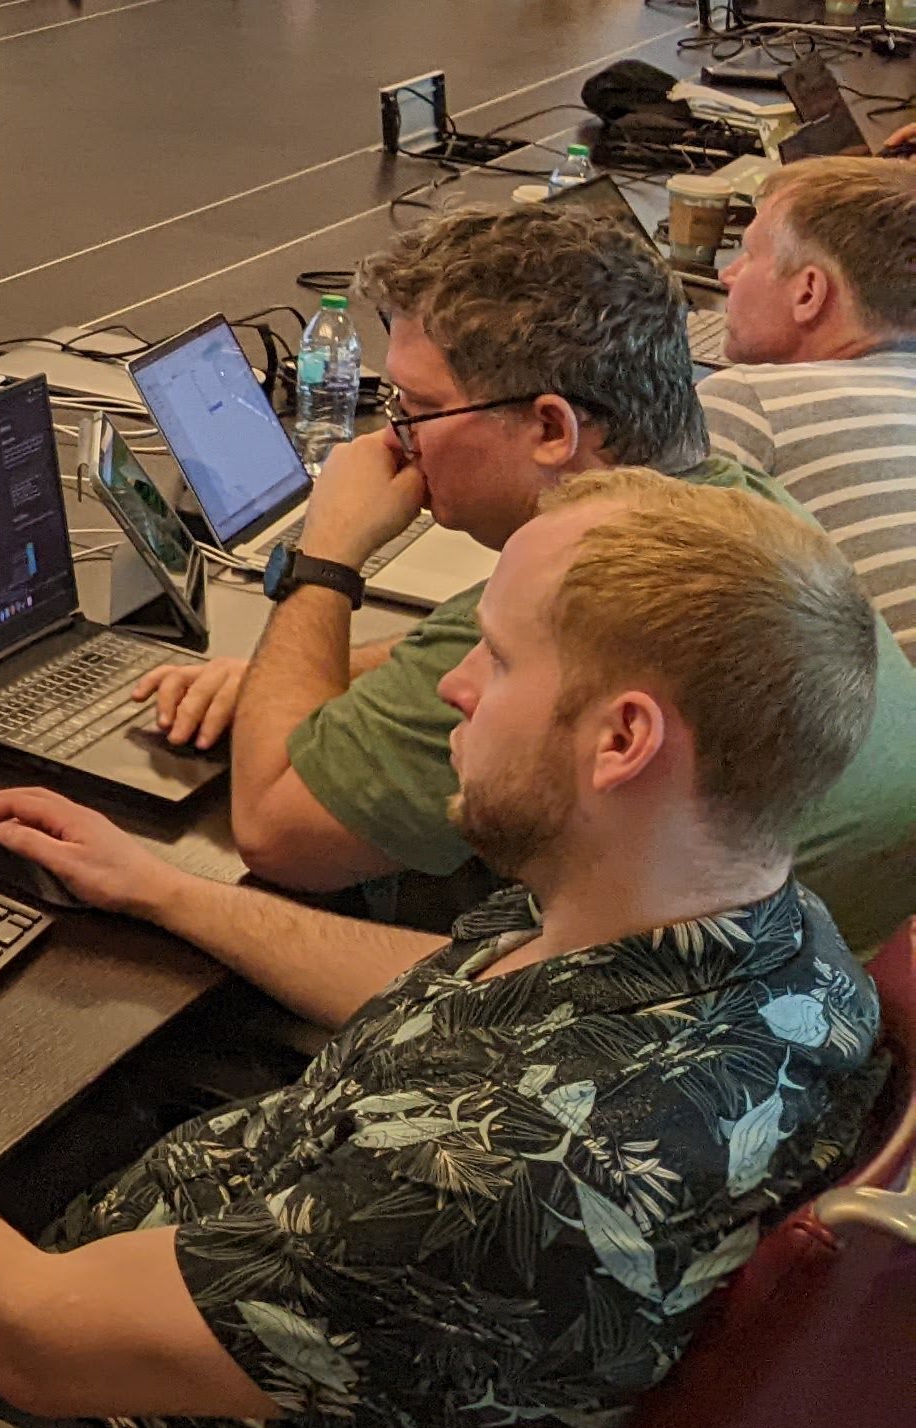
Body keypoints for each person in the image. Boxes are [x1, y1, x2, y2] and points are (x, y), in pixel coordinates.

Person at [0, 473, 891, 1428]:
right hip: (224, 1259)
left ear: (623, 739)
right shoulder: (764, 947)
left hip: (118, 1403)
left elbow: (28, 1330)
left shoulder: (510, 1185)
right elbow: (463, 991)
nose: (456, 690)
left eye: (499, 654)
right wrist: (169, 892)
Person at [130, 201, 916, 946]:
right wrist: (288, 676)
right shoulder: (725, 510)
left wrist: (326, 556)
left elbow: (275, 831)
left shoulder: (591, 599)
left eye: (415, 408)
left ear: (549, 427)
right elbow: (466, 661)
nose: (396, 443)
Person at [704, 160, 916, 656]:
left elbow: (607, 590)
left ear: (809, 292)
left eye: (748, 253)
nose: (727, 275)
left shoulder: (751, 402)